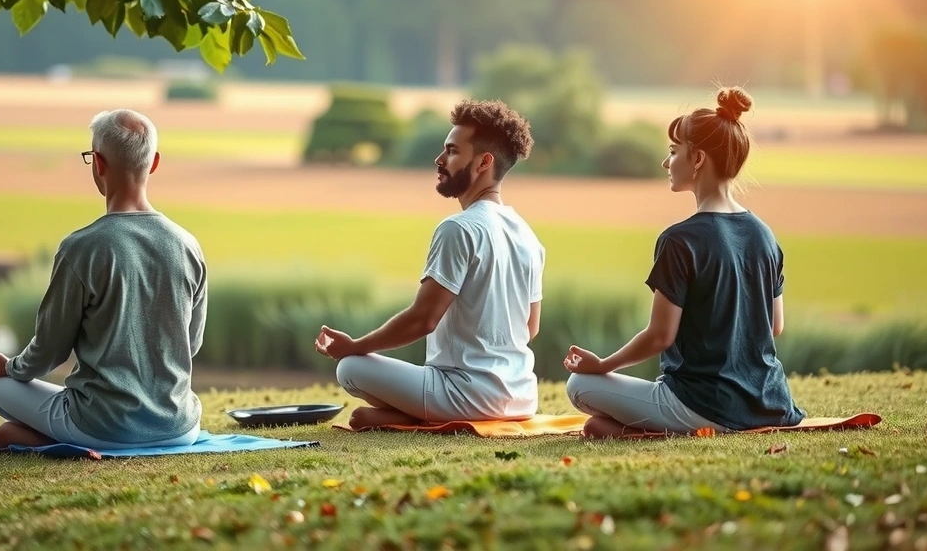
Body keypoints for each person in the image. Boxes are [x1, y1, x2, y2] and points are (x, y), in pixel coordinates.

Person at [563, 87, 805, 439]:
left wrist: (602, 365)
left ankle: (658, 428)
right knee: (598, 423)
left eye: (674, 152)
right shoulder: (765, 235)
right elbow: (775, 325)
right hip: (769, 404)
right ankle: (637, 429)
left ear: (698, 159)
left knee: (579, 384)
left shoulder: (679, 240)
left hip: (700, 405)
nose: (666, 162)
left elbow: (660, 336)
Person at [0, 109, 208, 449]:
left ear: (98, 164)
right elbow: (192, 343)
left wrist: (9, 367)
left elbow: (48, 353)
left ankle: (59, 439)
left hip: (103, 426)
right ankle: (57, 438)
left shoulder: (81, 248)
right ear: (154, 163)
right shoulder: (188, 245)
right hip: (180, 428)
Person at [315, 99, 545, 430]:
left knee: (350, 368)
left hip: (465, 395)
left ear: (483, 162)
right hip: (522, 398)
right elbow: (530, 328)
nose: (439, 160)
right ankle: (411, 415)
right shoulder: (528, 236)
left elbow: (423, 319)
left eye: (452, 151)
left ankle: (415, 415)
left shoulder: (458, 228)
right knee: (363, 368)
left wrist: (354, 346)